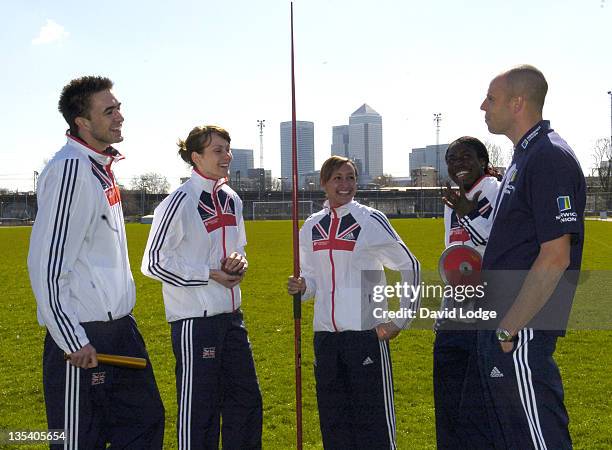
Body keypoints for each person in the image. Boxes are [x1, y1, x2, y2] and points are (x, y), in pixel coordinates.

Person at [27, 75, 164, 448]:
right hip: (82, 336)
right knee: (76, 441)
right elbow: (48, 264)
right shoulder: (71, 169)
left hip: (120, 331)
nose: (120, 115)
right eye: (109, 110)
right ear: (82, 122)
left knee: (145, 423)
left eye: (118, 107)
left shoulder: (100, 167)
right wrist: (72, 339)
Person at [478, 65, 586, 449]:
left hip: (522, 329)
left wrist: (510, 327)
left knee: (540, 439)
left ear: (518, 102)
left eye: (491, 98)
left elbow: (556, 256)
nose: (483, 106)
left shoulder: (548, 157)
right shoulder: (523, 157)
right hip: (507, 324)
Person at [141, 125, 262, 449]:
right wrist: (208, 274)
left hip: (233, 318)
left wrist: (240, 263)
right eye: (217, 150)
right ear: (196, 157)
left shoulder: (232, 199)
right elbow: (152, 262)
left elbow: (238, 250)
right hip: (195, 322)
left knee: (247, 404)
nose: (226, 156)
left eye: (227, 148)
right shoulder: (178, 202)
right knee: (200, 413)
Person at [287, 156, 420, 450]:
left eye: (350, 178)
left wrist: (400, 320)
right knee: (334, 424)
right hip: (325, 338)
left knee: (373, 427)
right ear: (323, 183)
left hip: (365, 336)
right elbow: (312, 280)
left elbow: (410, 265)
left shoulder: (370, 220)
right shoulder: (311, 226)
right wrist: (302, 286)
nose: (345, 185)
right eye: (337, 178)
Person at [434, 136, 501, 449]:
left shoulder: (494, 190)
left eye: (466, 157)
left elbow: (499, 244)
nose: (458, 164)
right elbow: (455, 253)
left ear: (483, 161)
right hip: (454, 307)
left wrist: (469, 214)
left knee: (477, 398)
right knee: (448, 394)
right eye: (452, 159)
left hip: (487, 305)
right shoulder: (454, 199)